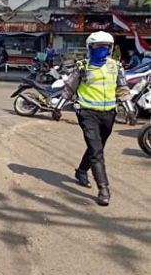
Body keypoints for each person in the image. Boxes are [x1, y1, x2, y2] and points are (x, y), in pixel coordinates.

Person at [53, 31, 133, 206]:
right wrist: (57, 108)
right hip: (87, 113)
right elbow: (69, 89)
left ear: (111, 48)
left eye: (106, 46)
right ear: (90, 48)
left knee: (96, 147)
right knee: (97, 151)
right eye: (98, 46)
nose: (102, 50)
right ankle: (103, 189)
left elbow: (122, 88)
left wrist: (129, 108)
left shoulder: (116, 67)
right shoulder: (82, 67)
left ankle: (81, 171)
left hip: (108, 114)